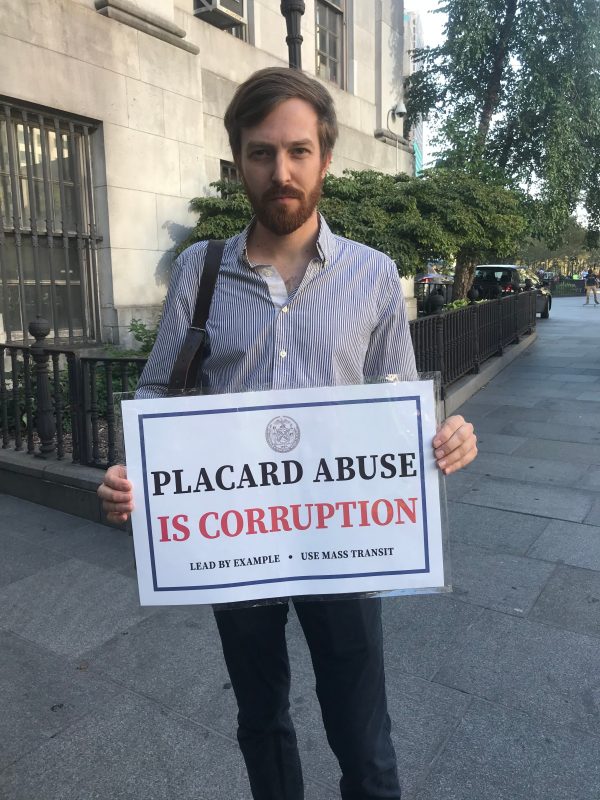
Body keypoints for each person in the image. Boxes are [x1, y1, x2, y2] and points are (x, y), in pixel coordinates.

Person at [98, 68, 477, 800]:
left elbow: (399, 401)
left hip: (344, 544)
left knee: (364, 738)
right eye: (262, 152)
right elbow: (157, 393)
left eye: (299, 151)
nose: (282, 171)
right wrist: (129, 472)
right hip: (234, 544)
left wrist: (445, 436)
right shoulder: (199, 272)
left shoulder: (371, 276)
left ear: (325, 158)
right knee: (261, 719)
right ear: (238, 160)